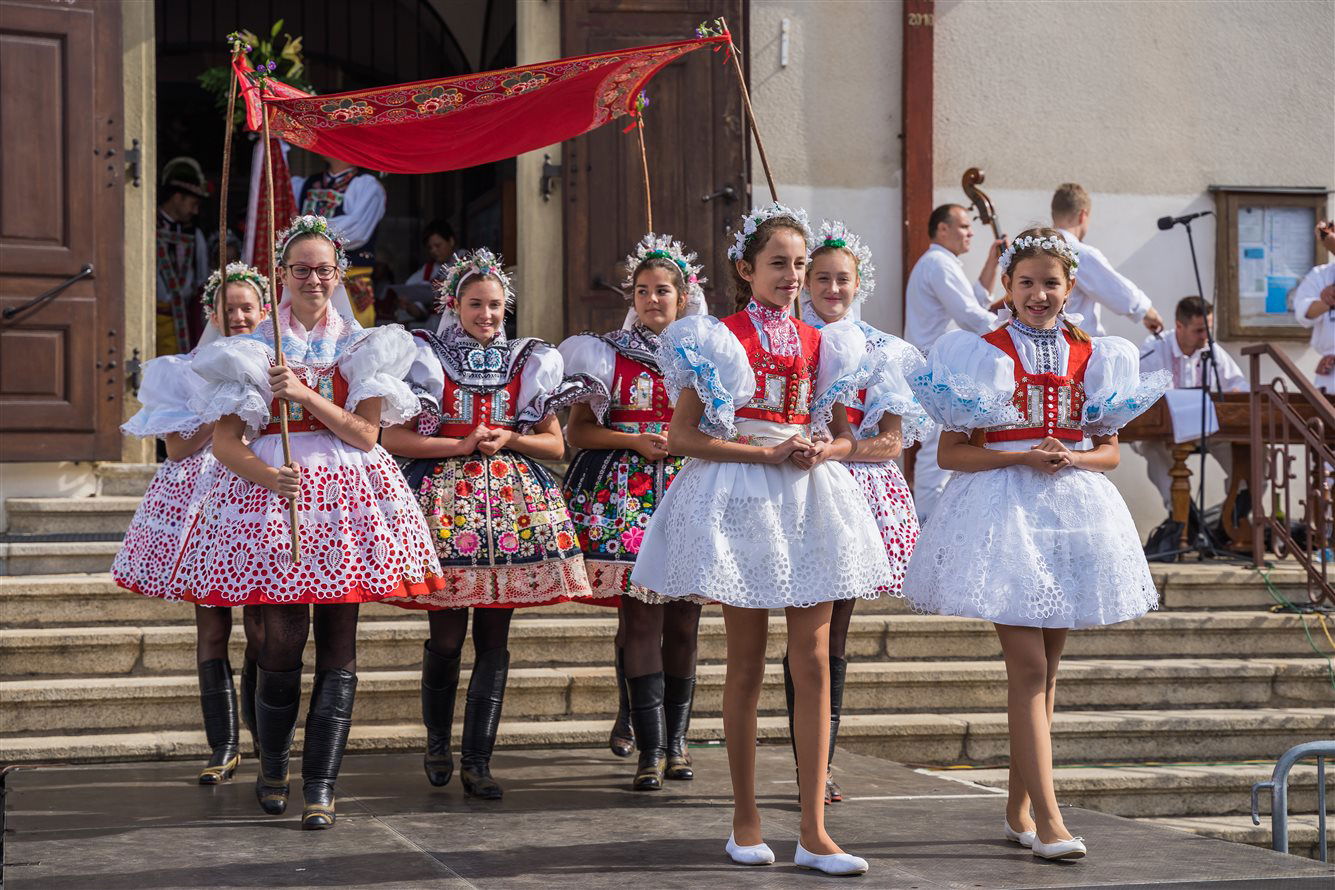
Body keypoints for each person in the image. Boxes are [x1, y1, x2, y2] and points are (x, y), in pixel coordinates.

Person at [633, 204, 892, 876]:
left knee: (813, 658)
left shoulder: (824, 343)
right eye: (778, 263)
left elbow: (843, 433)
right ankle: (744, 820)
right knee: (745, 662)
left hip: (808, 497)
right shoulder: (717, 338)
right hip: (741, 495)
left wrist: (824, 448)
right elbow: (684, 437)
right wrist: (764, 454)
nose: (792, 275)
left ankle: (814, 831)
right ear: (746, 269)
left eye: (799, 264)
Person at [904, 228, 1170, 861]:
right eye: (1026, 282)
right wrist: (1021, 455)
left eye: (1051, 283)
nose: (1038, 293)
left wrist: (1074, 457)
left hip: (1072, 516)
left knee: (1047, 673)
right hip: (1003, 517)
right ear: (1007, 286)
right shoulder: (978, 353)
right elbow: (953, 453)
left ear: (1070, 287)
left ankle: (1017, 809)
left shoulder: (1094, 354)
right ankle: (1051, 821)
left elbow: (1109, 451)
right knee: (1026, 668)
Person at [179, 215, 442, 829]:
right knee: (279, 637)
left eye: (325, 270)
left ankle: (321, 785)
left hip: (346, 500)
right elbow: (225, 443)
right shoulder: (251, 347)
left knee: (339, 640)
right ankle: (274, 766)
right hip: (271, 497)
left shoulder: (363, 345)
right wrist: (268, 475)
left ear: (338, 274)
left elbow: (367, 433)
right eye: (302, 270)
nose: (314, 280)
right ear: (282, 275)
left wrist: (303, 394)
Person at [384, 248, 601, 801]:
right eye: (475, 304)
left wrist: (511, 438)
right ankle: (438, 742)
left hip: (512, 514)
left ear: (507, 308)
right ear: (454, 306)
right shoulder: (427, 357)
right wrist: (457, 445)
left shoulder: (527, 361)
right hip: (444, 510)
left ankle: (478, 760)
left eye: (495, 305)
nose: (486, 314)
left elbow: (555, 445)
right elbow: (395, 438)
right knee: (446, 635)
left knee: (494, 639)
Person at [559, 233, 708, 791]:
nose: (652, 299)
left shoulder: (706, 355)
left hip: (691, 491)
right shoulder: (604, 354)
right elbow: (579, 431)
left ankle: (677, 742)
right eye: (642, 290)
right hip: (624, 498)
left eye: (662, 290)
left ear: (683, 297)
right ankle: (650, 748)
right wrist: (634, 440)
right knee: (640, 617)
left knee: (685, 620)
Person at [114, 262, 270, 785]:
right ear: (212, 314)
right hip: (202, 504)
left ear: (264, 311)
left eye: (247, 308)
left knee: (261, 626)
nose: (239, 316)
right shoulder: (183, 370)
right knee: (213, 626)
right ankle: (223, 746)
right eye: (229, 309)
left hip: (255, 498)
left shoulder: (280, 365)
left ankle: (263, 734)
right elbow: (178, 447)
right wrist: (220, 409)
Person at [794, 221, 932, 804]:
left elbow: (892, 442)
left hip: (855, 495)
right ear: (805, 282)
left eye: (842, 279)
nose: (832, 289)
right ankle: (806, 760)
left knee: (834, 636)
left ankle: (820, 764)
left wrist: (839, 449)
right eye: (821, 278)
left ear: (859, 284)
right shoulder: (788, 340)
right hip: (792, 486)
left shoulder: (881, 351)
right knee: (801, 635)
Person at [903, 203, 1006, 522]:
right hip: (936, 372)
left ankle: (934, 521)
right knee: (935, 453)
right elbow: (969, 315)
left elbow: (974, 303)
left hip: (942, 371)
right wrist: (1011, 335)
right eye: (964, 226)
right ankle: (926, 525)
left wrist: (991, 263)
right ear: (942, 229)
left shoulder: (940, 262)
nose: (971, 232)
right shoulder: (938, 263)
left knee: (939, 450)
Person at [1136, 296, 1247, 511]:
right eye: (1199, 330)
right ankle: (1183, 513)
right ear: (1179, 326)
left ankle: (1236, 511)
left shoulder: (1212, 350)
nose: (1206, 336)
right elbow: (1141, 392)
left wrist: (1235, 393)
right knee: (1150, 446)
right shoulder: (1155, 348)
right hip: (1163, 431)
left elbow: (1239, 385)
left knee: (1246, 451)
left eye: (1209, 329)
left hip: (1206, 428)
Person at [1050, 182, 1165, 338]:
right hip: (1074, 343)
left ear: (1054, 214)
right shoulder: (1077, 252)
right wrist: (1147, 312)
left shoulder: (1039, 248)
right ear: (1083, 215)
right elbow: (1116, 290)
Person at [293, 155, 387, 328]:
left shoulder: (366, 185)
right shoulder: (305, 184)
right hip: (309, 281)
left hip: (351, 279)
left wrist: (306, 229)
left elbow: (357, 231)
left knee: (353, 335)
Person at [156, 157, 212, 356]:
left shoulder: (195, 236)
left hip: (184, 323)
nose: (195, 211)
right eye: (193, 203)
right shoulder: (146, 226)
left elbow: (202, 282)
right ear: (177, 197)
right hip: (152, 320)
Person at [391, 220, 458, 331]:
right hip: (434, 325)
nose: (434, 251)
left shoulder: (465, 261)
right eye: (430, 248)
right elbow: (418, 307)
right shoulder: (427, 270)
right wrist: (408, 305)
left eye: (438, 245)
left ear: (451, 241)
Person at [1293, 220, 1335, 393]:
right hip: (1330, 374)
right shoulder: (1321, 274)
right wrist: (1327, 302)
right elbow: (1303, 313)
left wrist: (1329, 239)